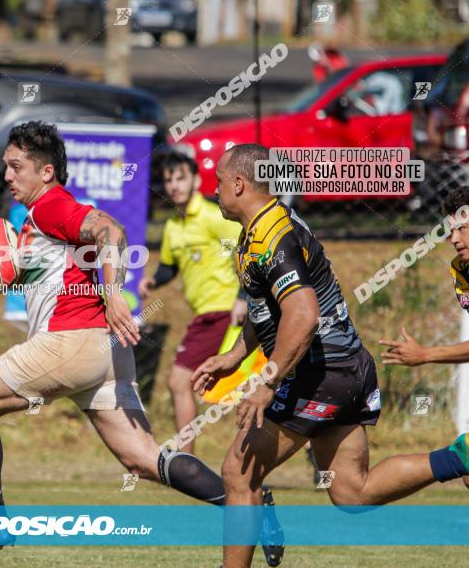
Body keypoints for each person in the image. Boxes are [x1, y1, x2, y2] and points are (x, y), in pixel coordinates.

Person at [0, 122, 283, 565]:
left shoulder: (50, 207)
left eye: (16, 166)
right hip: (104, 351)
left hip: (69, 343)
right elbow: (46, 277)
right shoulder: (39, 221)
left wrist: (114, 292)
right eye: (6, 166)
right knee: (145, 461)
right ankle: (251, 501)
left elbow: (111, 230)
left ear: (46, 172)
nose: (7, 175)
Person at [191, 144, 469, 568]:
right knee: (351, 491)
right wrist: (235, 353)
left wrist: (267, 382)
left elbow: (302, 315)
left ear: (239, 183)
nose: (213, 191)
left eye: (218, 182)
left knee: (238, 472)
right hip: (342, 369)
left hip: (321, 372)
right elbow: (270, 309)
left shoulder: (274, 237)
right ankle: (459, 458)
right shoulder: (260, 230)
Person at [140, 151, 247, 453]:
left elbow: (250, 247)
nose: (174, 185)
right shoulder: (174, 225)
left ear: (197, 180)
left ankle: (186, 461)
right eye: (169, 179)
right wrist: (154, 281)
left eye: (181, 178)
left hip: (225, 312)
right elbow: (170, 266)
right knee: (243, 388)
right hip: (206, 316)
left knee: (179, 381)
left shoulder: (215, 216)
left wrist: (242, 297)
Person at [379, 185, 469, 490]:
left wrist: (426, 355)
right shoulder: (462, 269)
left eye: (462, 230)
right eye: (450, 231)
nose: (453, 239)